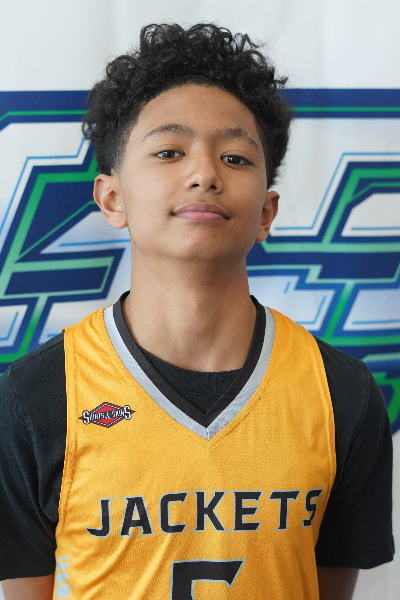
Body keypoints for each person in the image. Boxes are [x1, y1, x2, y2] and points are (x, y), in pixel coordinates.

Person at [0, 23, 394, 600]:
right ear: (112, 198)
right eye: (169, 152)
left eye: (235, 156)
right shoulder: (37, 396)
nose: (205, 173)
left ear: (266, 212)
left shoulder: (341, 394)